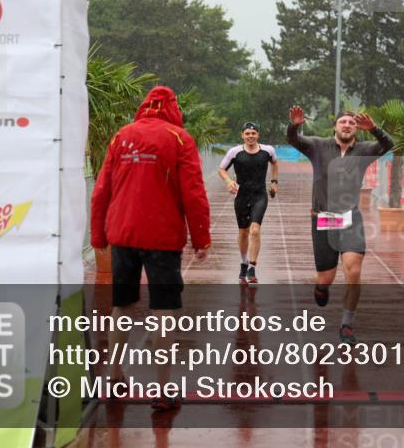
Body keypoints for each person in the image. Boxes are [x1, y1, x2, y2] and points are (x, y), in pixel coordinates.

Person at [91, 85, 211, 411]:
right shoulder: (179, 139)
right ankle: (162, 388)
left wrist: (97, 236)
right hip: (162, 238)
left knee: (122, 306)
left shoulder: (121, 137)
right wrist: (202, 237)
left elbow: (101, 190)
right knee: (164, 312)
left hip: (123, 235)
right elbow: (194, 193)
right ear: (173, 108)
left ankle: (115, 378)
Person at [287, 106, 393, 344]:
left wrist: (375, 129)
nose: (347, 125)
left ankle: (347, 324)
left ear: (357, 128)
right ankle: (321, 288)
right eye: (343, 121)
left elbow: (388, 145)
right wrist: (294, 125)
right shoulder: (317, 146)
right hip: (323, 217)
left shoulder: (365, 150)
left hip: (350, 217)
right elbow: (293, 139)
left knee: (353, 270)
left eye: (351, 123)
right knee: (325, 278)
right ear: (335, 126)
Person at [217, 122, 278, 284]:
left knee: (255, 230)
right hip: (242, 196)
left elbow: (275, 163)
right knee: (243, 232)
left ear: (258, 135)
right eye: (247, 133)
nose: (250, 136)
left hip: (260, 195)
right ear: (242, 135)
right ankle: (244, 263)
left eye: (253, 133)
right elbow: (221, 169)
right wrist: (229, 181)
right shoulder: (235, 152)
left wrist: (274, 182)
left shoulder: (268, 151)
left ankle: (252, 266)